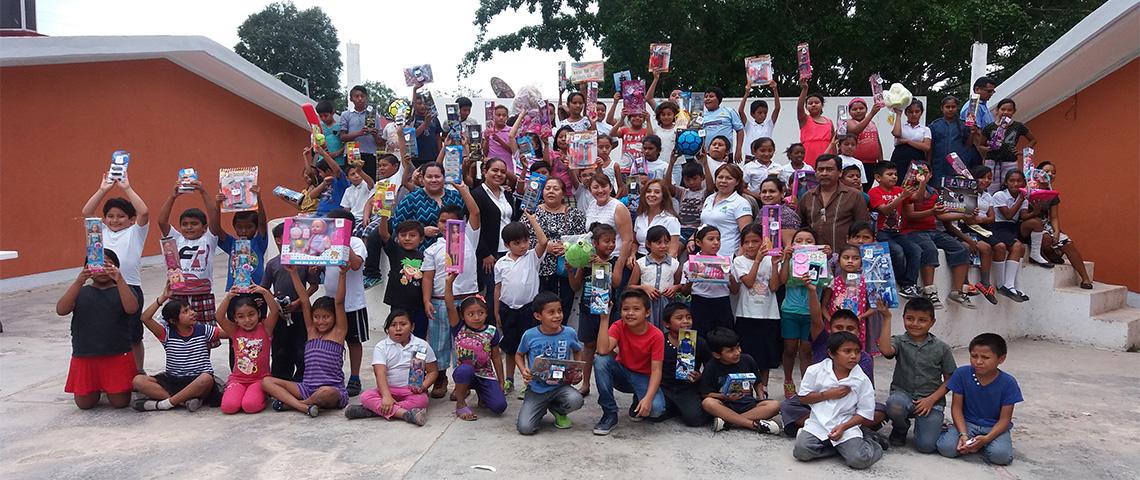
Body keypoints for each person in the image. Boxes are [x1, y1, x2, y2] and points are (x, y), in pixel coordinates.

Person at [81, 173, 149, 370]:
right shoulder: (100, 231)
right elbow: (86, 212)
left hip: (130, 287)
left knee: (134, 335)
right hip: (104, 288)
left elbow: (144, 212)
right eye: (110, 216)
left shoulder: (135, 232)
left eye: (121, 216)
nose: (115, 220)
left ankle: (138, 372)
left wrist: (127, 187)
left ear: (130, 220)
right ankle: (112, 372)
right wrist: (103, 189)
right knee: (107, 331)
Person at [262, 266, 350, 417]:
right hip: (306, 387)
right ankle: (304, 406)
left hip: (330, 389)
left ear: (334, 317)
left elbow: (339, 303)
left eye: (326, 317)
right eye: (317, 317)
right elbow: (304, 299)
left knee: (326, 393)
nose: (321, 321)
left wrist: (342, 274)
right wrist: (293, 273)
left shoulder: (339, 332)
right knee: (266, 382)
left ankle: (298, 404)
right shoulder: (311, 330)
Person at [57, 250, 139, 409]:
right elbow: (61, 310)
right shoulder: (80, 291)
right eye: (97, 264)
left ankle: (108, 386)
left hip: (117, 353)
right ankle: (99, 387)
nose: (102, 269)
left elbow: (132, 309)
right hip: (86, 355)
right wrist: (78, 282)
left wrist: (119, 279)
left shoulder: (122, 289)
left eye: (107, 264)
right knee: (85, 404)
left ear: (116, 266)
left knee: (120, 403)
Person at [792, 331, 884, 470]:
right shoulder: (815, 371)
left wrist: (844, 427)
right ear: (831, 354)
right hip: (818, 423)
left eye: (857, 352)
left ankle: (873, 442)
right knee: (801, 452)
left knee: (859, 460)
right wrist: (828, 394)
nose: (853, 356)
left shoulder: (861, 379)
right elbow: (803, 398)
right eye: (847, 351)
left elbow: (865, 412)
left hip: (847, 425)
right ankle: (838, 450)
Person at [421, 186, 480, 398]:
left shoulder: (469, 238)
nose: (446, 225)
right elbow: (427, 277)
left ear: (462, 223)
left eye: (451, 221)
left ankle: (461, 383)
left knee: (464, 344)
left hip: (466, 301)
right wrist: (427, 300)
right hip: (439, 301)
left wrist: (463, 189)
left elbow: (475, 212)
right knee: (438, 341)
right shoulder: (433, 248)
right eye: (442, 221)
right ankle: (440, 378)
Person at [877, 297, 956, 451]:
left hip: (930, 401)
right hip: (903, 395)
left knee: (926, 446)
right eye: (910, 319)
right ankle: (901, 427)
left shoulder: (942, 348)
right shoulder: (899, 341)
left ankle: (935, 425)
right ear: (903, 318)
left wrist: (931, 400)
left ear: (932, 322)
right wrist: (886, 317)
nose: (915, 324)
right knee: (894, 405)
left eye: (922, 320)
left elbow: (950, 379)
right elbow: (886, 350)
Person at [132, 283, 223, 412]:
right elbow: (145, 318)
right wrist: (163, 298)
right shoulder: (166, 334)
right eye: (185, 311)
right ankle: (184, 402)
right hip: (173, 380)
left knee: (206, 378)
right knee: (138, 380)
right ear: (173, 321)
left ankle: (163, 404)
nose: (192, 313)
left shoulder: (203, 330)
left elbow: (229, 333)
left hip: (197, 381)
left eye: (190, 309)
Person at [936, 333, 1023, 465]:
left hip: (993, 427)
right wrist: (963, 435)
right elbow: (956, 408)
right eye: (974, 356)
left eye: (985, 357)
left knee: (1000, 456)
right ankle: (967, 439)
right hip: (967, 423)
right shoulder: (962, 374)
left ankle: (982, 443)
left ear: (1001, 359)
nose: (978, 361)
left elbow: (1005, 419)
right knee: (946, 449)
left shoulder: (1008, 383)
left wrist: (987, 439)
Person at [592, 290, 667, 435]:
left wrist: (648, 399)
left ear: (647, 312)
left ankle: (637, 400)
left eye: (636, 309)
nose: (630, 313)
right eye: (625, 309)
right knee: (600, 360)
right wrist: (604, 318)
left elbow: (657, 371)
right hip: (622, 373)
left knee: (656, 410)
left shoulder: (656, 335)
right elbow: (602, 350)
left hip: (643, 377)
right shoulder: (619, 325)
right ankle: (610, 413)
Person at [344, 309, 437, 426]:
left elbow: (432, 371)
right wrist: (386, 396)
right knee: (365, 396)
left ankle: (372, 410)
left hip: (410, 390)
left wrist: (423, 386)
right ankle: (406, 414)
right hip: (387, 389)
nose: (398, 328)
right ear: (387, 329)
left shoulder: (422, 345)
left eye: (403, 324)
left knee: (422, 401)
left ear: (412, 327)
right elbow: (380, 373)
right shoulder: (381, 347)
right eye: (393, 325)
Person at [156, 175, 221, 336]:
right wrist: (173, 196)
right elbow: (161, 221)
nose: (189, 227)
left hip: (202, 293)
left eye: (194, 224)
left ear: (204, 227)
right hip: (178, 295)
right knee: (177, 333)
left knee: (205, 334)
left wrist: (202, 191)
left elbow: (214, 216)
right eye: (185, 224)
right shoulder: (176, 239)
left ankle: (203, 361)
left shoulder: (209, 238)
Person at [902, 172, 976, 309]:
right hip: (912, 231)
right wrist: (932, 212)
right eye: (918, 172)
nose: (922, 175)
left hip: (932, 230)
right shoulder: (908, 190)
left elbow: (941, 215)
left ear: (930, 175)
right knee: (929, 249)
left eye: (925, 173)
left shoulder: (934, 192)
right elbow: (910, 215)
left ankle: (957, 291)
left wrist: (964, 214)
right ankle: (929, 291)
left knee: (960, 248)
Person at [494, 214, 549, 398]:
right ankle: (509, 379)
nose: (523, 245)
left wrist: (533, 221)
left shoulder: (533, 257)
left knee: (529, 346)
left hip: (528, 309)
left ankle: (529, 381)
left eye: (525, 241)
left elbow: (543, 241)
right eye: (517, 243)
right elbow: (498, 288)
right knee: (511, 347)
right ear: (507, 244)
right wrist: (496, 311)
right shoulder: (501, 263)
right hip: (507, 309)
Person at [515, 292, 586, 434]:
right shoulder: (529, 335)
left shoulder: (569, 332)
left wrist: (577, 370)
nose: (557, 316)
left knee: (576, 400)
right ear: (538, 316)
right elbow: (519, 354)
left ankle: (558, 409)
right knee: (525, 428)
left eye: (559, 311)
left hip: (560, 387)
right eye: (551, 312)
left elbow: (578, 350)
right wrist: (523, 370)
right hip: (536, 388)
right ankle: (539, 408)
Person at [774, 228, 832, 398]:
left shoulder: (820, 260)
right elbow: (782, 281)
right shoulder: (791, 261)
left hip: (811, 315)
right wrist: (786, 258)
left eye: (809, 241)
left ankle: (807, 386)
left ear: (817, 245)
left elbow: (827, 283)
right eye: (798, 241)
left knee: (806, 351)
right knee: (790, 349)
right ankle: (788, 381)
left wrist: (826, 257)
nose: (804, 244)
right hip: (790, 311)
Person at [320, 208, 370, 397]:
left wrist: (343, 241)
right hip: (331, 302)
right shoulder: (325, 243)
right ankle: (333, 375)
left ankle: (355, 377)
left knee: (354, 340)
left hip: (352, 303)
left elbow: (356, 264)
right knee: (333, 340)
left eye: (336, 225)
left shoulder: (355, 242)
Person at [569, 222, 622, 397]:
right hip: (587, 310)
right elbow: (576, 286)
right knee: (589, 347)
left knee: (609, 348)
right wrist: (571, 271)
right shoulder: (585, 263)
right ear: (595, 244)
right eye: (606, 241)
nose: (611, 244)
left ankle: (610, 383)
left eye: (613, 241)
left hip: (608, 311)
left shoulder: (615, 261)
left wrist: (602, 265)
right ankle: (585, 384)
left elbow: (615, 283)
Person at [444, 273, 507, 420]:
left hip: (485, 374)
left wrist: (501, 382)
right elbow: (449, 305)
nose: (476, 317)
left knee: (499, 407)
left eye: (481, 313)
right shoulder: (458, 327)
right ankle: (460, 404)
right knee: (465, 369)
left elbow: (496, 357)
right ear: (463, 316)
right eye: (471, 314)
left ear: (486, 313)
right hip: (465, 374)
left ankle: (482, 394)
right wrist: (449, 283)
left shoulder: (491, 331)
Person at [261, 223, 319, 381]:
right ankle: (280, 380)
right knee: (280, 350)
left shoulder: (305, 261)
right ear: (279, 240)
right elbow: (265, 288)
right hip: (280, 316)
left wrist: (299, 302)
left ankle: (302, 380)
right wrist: (276, 304)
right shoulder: (272, 264)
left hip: (301, 314)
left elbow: (314, 285)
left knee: (301, 349)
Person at [700, 327, 782, 434]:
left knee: (775, 405)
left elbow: (758, 382)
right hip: (726, 405)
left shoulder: (747, 360)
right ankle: (754, 425)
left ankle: (728, 422)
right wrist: (725, 396)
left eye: (738, 347)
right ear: (717, 354)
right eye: (730, 351)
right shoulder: (711, 366)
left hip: (748, 405)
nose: (737, 352)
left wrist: (761, 398)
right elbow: (706, 394)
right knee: (708, 403)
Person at [215, 284, 281, 414]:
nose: (247, 320)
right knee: (228, 407)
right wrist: (228, 297)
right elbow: (219, 317)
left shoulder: (266, 328)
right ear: (235, 319)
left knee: (250, 406)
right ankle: (242, 393)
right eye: (241, 317)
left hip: (260, 380)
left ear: (259, 314)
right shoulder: (234, 331)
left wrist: (264, 292)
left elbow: (274, 311)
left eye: (251, 314)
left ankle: (263, 394)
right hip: (237, 380)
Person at [731, 224, 780, 396]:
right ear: (742, 244)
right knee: (745, 355)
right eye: (747, 242)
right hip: (746, 314)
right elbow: (749, 282)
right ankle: (745, 390)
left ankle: (763, 390)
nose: (751, 246)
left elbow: (774, 286)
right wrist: (758, 261)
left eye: (755, 241)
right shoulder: (739, 261)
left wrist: (774, 264)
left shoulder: (771, 259)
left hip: (769, 314)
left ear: (763, 242)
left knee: (765, 357)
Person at [529, 176, 587, 318]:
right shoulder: (532, 213)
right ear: (542, 192)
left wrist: (567, 247)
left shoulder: (575, 214)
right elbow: (523, 239)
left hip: (566, 268)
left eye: (556, 189)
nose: (551, 192)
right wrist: (544, 247)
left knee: (564, 306)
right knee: (541, 307)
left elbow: (583, 241)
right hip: (540, 269)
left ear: (563, 193)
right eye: (548, 188)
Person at [1033, 162, 1092, 288]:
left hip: (1046, 225)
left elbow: (1054, 217)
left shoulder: (1052, 194)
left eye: (1053, 173)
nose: (1050, 175)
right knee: (1046, 239)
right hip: (1031, 225)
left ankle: (1085, 278)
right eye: (1046, 171)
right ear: (1037, 172)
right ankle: (1051, 254)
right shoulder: (1029, 188)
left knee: (1068, 244)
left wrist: (1057, 231)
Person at [868, 163, 923, 299]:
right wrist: (901, 197)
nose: (894, 177)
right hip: (880, 232)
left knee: (916, 250)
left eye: (895, 174)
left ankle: (910, 284)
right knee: (897, 251)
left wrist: (922, 182)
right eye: (890, 174)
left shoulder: (899, 189)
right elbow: (884, 210)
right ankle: (904, 284)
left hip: (897, 232)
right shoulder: (874, 192)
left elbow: (918, 199)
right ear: (878, 177)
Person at [797, 155, 869, 252]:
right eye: (820, 170)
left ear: (840, 173)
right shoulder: (807, 197)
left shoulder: (855, 196)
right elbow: (799, 227)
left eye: (829, 169)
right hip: (813, 259)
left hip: (845, 259)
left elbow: (863, 228)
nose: (824, 173)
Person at [390, 162, 467, 250]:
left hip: (454, 251)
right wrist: (421, 231)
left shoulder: (456, 197)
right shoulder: (411, 199)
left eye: (437, 176)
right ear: (422, 179)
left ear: (444, 178)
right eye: (429, 177)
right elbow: (397, 226)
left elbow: (467, 221)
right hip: (421, 252)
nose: (433, 180)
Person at [657, 303, 711, 427]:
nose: (685, 321)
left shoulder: (699, 342)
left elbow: (711, 367)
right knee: (652, 414)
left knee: (695, 419)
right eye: (679, 318)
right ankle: (675, 408)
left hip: (687, 387)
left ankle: (683, 407)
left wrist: (700, 376)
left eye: (688, 317)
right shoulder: (660, 340)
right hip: (664, 387)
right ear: (667, 324)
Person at [471, 158, 518, 298]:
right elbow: (474, 227)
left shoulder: (507, 194)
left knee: (509, 291)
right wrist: (485, 253)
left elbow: (511, 220)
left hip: (510, 252)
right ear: (485, 172)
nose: (499, 174)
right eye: (494, 170)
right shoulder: (476, 194)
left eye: (503, 172)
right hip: (490, 254)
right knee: (493, 293)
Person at [987, 170, 1037, 301]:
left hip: (1012, 227)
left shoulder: (1023, 198)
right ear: (1006, 182)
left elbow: (1023, 216)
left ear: (1024, 183)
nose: (1015, 183)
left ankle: (1015, 285)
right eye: (1012, 181)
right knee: (1017, 246)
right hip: (999, 226)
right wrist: (1021, 199)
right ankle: (1006, 284)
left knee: (1021, 249)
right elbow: (1008, 215)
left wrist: (1036, 210)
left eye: (1019, 181)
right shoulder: (999, 195)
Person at [682, 225, 737, 336]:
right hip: (700, 303)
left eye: (718, 239)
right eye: (711, 239)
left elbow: (735, 290)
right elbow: (685, 292)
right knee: (699, 337)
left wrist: (729, 275)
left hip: (722, 303)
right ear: (698, 242)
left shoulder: (727, 262)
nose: (716, 242)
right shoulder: (690, 263)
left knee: (724, 339)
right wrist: (691, 279)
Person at [979, 99, 1037, 192]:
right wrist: (988, 148)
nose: (1006, 112)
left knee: (1009, 186)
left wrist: (1023, 151)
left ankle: (1007, 205)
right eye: (1003, 109)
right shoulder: (990, 127)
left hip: (1010, 160)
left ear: (1014, 111)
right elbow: (980, 145)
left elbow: (1033, 139)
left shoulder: (1018, 126)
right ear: (997, 110)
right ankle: (992, 206)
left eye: (1009, 110)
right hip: (992, 160)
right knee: (991, 187)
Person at [630, 225, 682, 327]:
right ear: (648, 244)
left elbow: (680, 285)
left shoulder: (674, 263)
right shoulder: (641, 263)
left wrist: (676, 287)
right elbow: (630, 286)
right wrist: (644, 288)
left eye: (666, 242)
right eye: (658, 243)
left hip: (667, 304)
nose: (663, 246)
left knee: (666, 330)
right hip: (647, 304)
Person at [583, 173, 635, 275]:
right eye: (595, 187)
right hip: (594, 259)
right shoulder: (592, 204)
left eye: (604, 186)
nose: (600, 190)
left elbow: (627, 240)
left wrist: (619, 266)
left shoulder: (618, 207)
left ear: (610, 188)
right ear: (590, 190)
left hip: (614, 258)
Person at [699, 164, 753, 257]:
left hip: (728, 255)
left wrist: (739, 258)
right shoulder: (709, 199)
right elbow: (703, 224)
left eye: (729, 178)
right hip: (706, 256)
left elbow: (747, 235)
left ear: (737, 182)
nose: (723, 181)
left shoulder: (740, 203)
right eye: (720, 177)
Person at [929, 96, 979, 185]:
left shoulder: (963, 125)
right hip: (939, 164)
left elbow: (968, 145)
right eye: (948, 107)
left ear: (957, 108)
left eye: (953, 107)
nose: (950, 109)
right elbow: (930, 147)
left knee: (955, 191)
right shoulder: (934, 126)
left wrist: (972, 133)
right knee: (937, 189)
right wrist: (928, 164)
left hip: (958, 165)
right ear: (942, 108)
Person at [666, 150, 712, 245]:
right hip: (682, 229)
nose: (691, 182)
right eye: (687, 180)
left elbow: (711, 186)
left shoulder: (705, 193)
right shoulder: (682, 192)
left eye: (695, 179)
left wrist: (705, 164)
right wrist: (671, 164)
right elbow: (668, 186)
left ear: (702, 178)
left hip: (698, 230)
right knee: (676, 247)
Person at [337, 85, 385, 176]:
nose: (360, 99)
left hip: (369, 154)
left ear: (366, 98)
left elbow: (381, 142)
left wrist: (375, 135)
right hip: (352, 153)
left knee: (369, 184)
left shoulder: (375, 116)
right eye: (356, 96)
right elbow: (343, 137)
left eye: (362, 96)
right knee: (353, 181)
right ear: (351, 99)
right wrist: (359, 133)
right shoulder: (346, 115)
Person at [632, 179, 681, 259]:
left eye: (657, 192)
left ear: (663, 196)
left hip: (661, 262)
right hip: (639, 259)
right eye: (648, 191)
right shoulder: (639, 217)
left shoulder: (671, 220)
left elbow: (673, 251)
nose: (652, 194)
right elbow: (635, 242)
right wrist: (632, 254)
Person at [738, 80, 782, 160]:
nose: (763, 115)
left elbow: (777, 108)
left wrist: (775, 90)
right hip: (750, 157)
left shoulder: (769, 125)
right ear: (752, 114)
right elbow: (741, 111)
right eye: (760, 113)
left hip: (765, 157)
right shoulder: (749, 126)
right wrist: (747, 93)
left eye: (765, 113)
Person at [796, 80, 834, 168]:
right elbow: (799, 107)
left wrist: (835, 158)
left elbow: (833, 143)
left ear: (822, 105)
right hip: (808, 155)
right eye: (810, 103)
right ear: (806, 106)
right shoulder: (804, 119)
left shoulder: (829, 121)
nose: (813, 105)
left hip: (827, 156)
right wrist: (805, 89)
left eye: (816, 102)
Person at [755, 177, 801, 248]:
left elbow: (788, 246)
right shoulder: (761, 212)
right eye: (764, 192)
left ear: (782, 193)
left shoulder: (787, 214)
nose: (767, 195)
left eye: (772, 191)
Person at [700, 87, 745, 160]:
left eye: (711, 96)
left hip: (726, 154)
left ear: (718, 99)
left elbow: (740, 130)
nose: (707, 99)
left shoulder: (729, 111)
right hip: (707, 155)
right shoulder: (701, 116)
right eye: (705, 97)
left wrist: (738, 150)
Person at [890, 100, 932, 176]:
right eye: (910, 112)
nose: (914, 114)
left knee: (915, 184)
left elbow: (926, 147)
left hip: (917, 160)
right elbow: (896, 133)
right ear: (906, 113)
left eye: (917, 111)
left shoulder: (925, 129)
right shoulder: (901, 126)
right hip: (899, 158)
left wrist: (907, 141)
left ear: (921, 113)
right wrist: (898, 115)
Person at [410, 83, 444, 167]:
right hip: (416, 158)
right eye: (419, 103)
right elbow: (412, 136)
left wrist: (440, 155)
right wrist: (425, 124)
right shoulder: (411, 119)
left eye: (424, 103)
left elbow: (438, 138)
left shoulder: (434, 118)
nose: (422, 106)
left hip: (432, 157)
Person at [844, 98, 883, 166]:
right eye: (854, 109)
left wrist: (881, 161)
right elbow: (855, 131)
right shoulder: (847, 122)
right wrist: (872, 113)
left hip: (872, 163)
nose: (858, 111)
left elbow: (878, 143)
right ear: (849, 112)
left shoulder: (872, 123)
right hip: (854, 163)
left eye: (861, 108)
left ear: (866, 109)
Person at [315, 100, 346, 168]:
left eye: (326, 116)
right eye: (320, 116)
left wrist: (336, 153)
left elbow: (346, 144)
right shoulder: (318, 127)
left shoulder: (340, 126)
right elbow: (316, 144)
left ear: (332, 112)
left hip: (339, 161)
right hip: (323, 161)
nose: (323, 118)